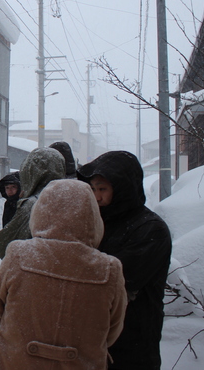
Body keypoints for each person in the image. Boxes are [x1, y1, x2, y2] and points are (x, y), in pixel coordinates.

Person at [0, 179, 128, 369]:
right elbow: (112, 332)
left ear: (41, 212)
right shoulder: (109, 269)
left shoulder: (18, 254)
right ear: (92, 216)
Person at [77, 151, 172, 370]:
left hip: (133, 343)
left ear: (122, 189)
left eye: (102, 189)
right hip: (94, 342)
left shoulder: (150, 229)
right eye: (92, 189)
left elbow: (113, 281)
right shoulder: (95, 222)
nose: (96, 197)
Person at [0, 147, 65, 259]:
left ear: (30, 171)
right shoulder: (72, 197)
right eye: (7, 188)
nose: (10, 190)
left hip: (36, 267)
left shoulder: (32, 204)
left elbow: (5, 245)